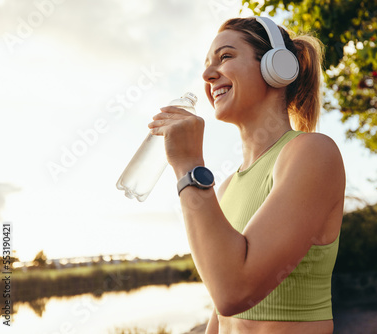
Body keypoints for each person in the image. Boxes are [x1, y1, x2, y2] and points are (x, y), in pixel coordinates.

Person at [148, 16, 345, 334]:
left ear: (276, 66)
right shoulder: (224, 188)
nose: (207, 74)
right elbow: (220, 312)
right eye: (207, 63)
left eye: (225, 57)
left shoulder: (312, 153)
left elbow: (233, 292)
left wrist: (188, 165)